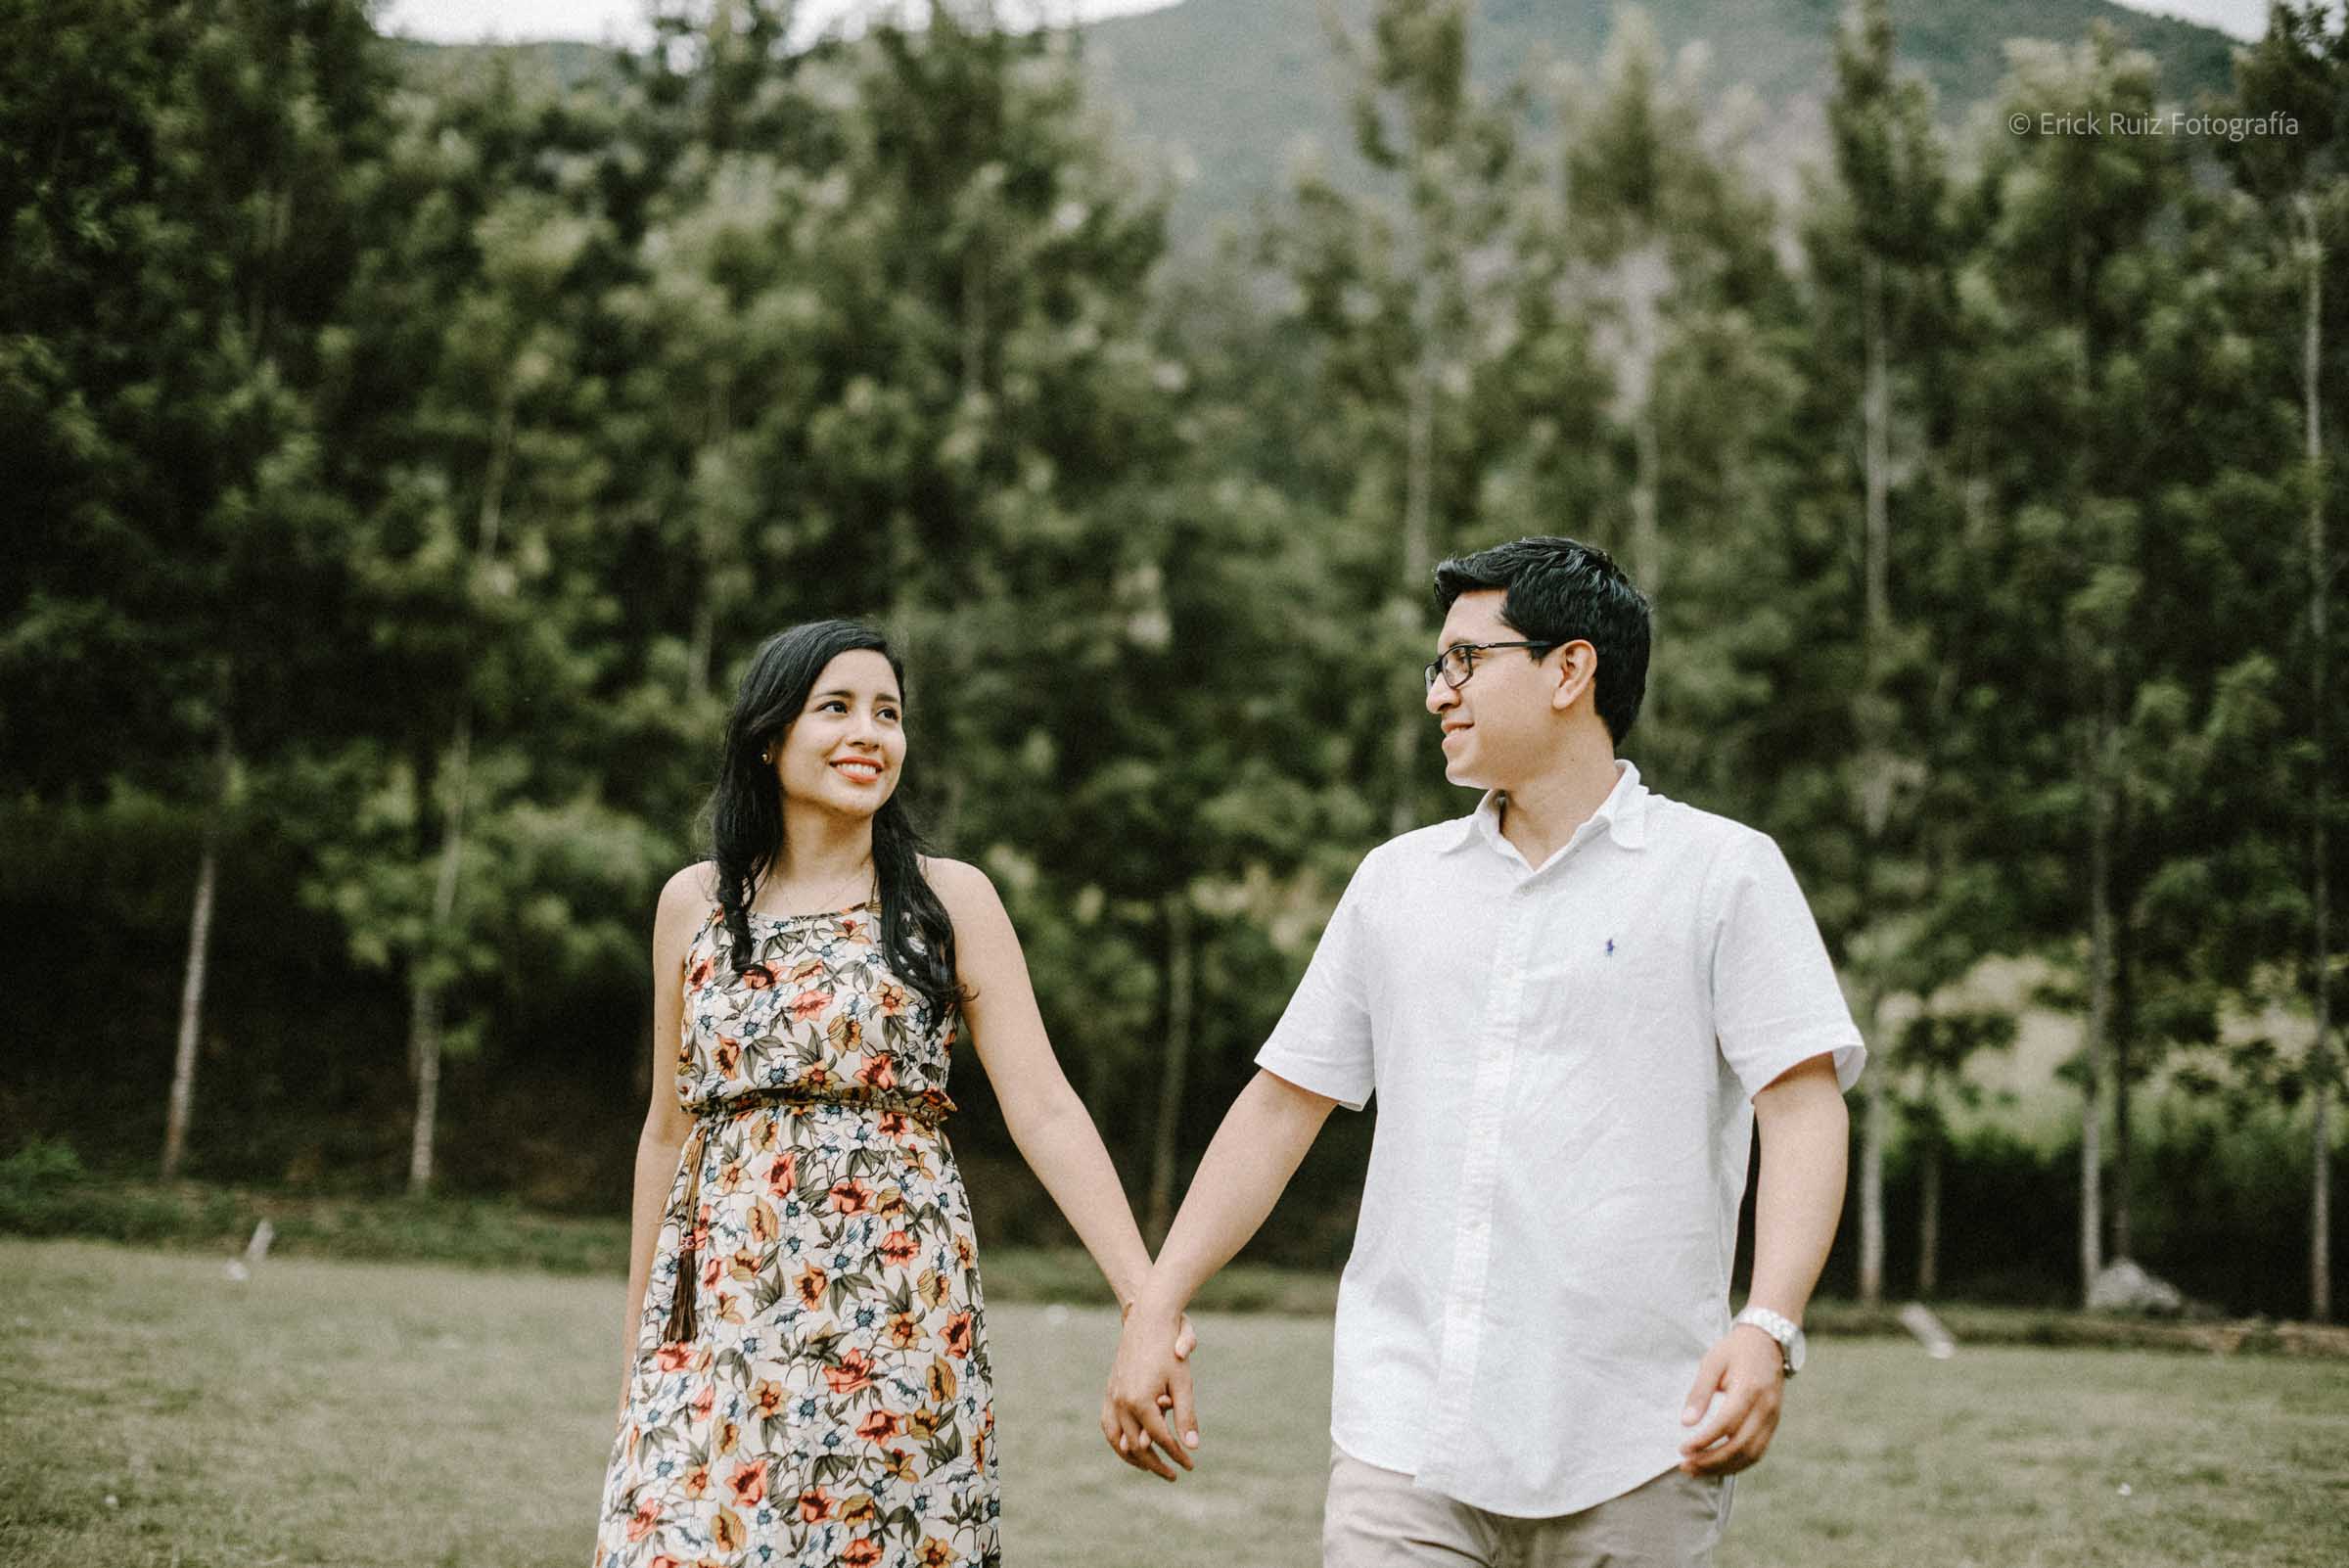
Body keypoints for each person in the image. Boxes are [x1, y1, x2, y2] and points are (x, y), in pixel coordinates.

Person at [1102, 537, 1864, 1567]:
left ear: (1570, 670)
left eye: (1465, 660)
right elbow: (1282, 1106)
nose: (1438, 693)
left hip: (1640, 1435)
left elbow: (1803, 1105)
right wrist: (1157, 1303)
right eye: (1437, 664)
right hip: (1405, 1434)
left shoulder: (1723, 874)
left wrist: (1767, 1325)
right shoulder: (1396, 882)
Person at [595, 619, 1187, 1568]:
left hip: (896, 1316)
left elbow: (1044, 1108)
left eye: (888, 713)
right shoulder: (695, 904)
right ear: (769, 736)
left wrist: (1143, 1302)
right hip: (723, 1320)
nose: (869, 733)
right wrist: (640, 1350)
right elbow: (666, 1133)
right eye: (836, 708)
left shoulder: (951, 899)